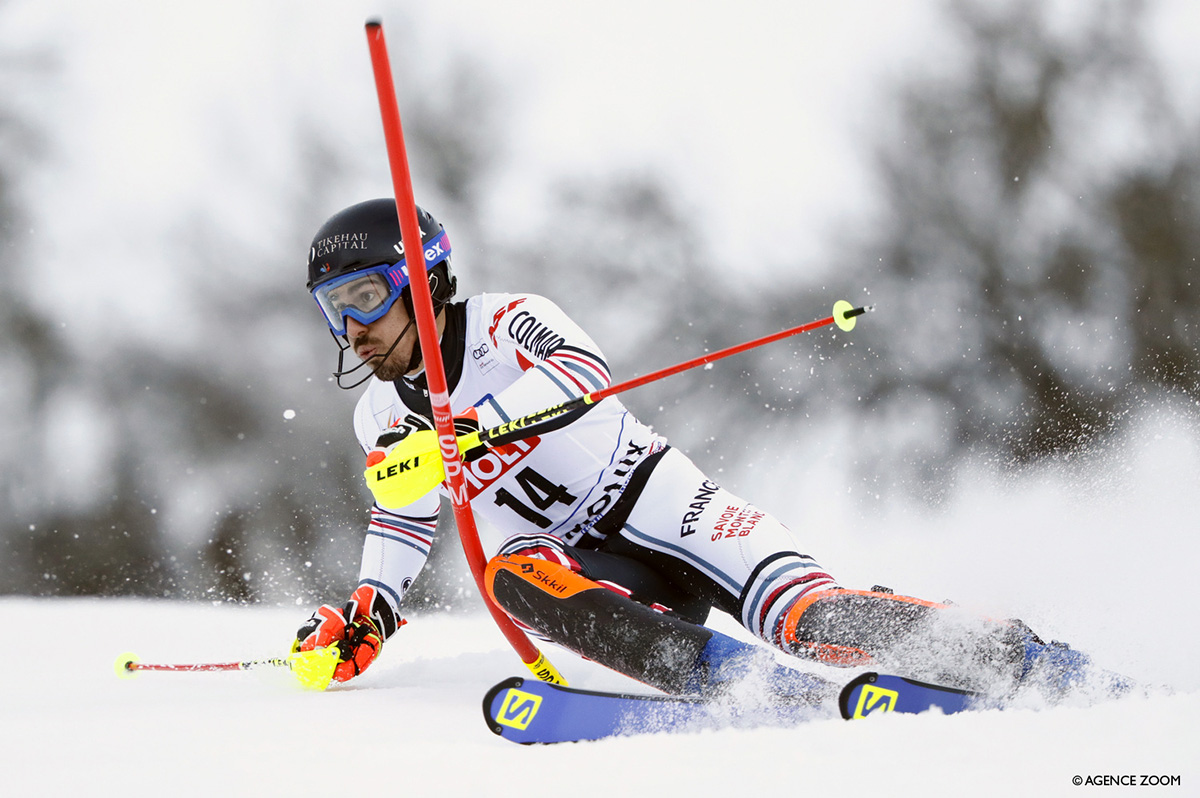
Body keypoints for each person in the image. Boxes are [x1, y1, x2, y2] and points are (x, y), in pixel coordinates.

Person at [294, 198, 1123, 703]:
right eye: (336, 311)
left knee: (809, 618)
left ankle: (1017, 657)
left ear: (424, 277)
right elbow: (402, 520)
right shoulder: (377, 417)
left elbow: (583, 370)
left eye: (366, 297)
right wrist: (371, 610)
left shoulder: (509, 320)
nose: (354, 329)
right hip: (581, 570)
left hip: (662, 502)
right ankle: (730, 686)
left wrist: (474, 429)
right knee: (507, 576)